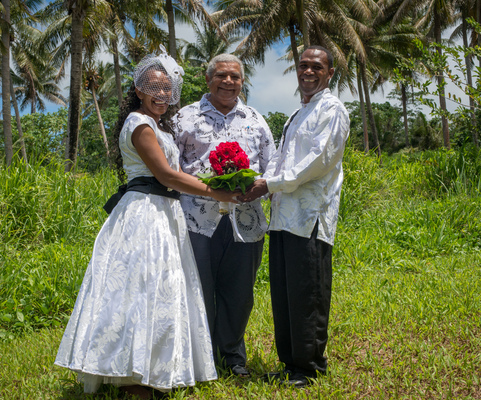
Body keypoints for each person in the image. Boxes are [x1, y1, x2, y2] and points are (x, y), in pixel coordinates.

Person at [54, 50, 238, 399]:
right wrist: (217, 192)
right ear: (138, 89)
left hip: (164, 213)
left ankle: (156, 367)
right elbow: (167, 174)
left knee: (162, 289)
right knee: (140, 290)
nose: (162, 95)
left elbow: (176, 174)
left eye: (168, 90)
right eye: (155, 87)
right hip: (144, 214)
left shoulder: (157, 126)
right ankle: (134, 378)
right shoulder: (139, 124)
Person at [241, 45, 350, 387]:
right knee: (285, 294)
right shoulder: (296, 115)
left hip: (309, 217)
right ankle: (290, 363)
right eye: (303, 65)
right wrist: (262, 182)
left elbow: (318, 162)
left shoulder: (332, 110)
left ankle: (310, 367)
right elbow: (279, 159)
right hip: (283, 217)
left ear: (330, 73)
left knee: (309, 293)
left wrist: (270, 183)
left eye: (316, 66)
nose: (308, 71)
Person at [172, 54, 276, 377]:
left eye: (235, 77)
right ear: (208, 80)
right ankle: (201, 361)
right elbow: (170, 167)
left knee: (240, 292)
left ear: (242, 82)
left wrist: (260, 186)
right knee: (198, 289)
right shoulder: (185, 118)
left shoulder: (256, 120)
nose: (229, 82)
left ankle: (232, 357)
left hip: (244, 222)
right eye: (221, 75)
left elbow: (273, 166)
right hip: (196, 222)